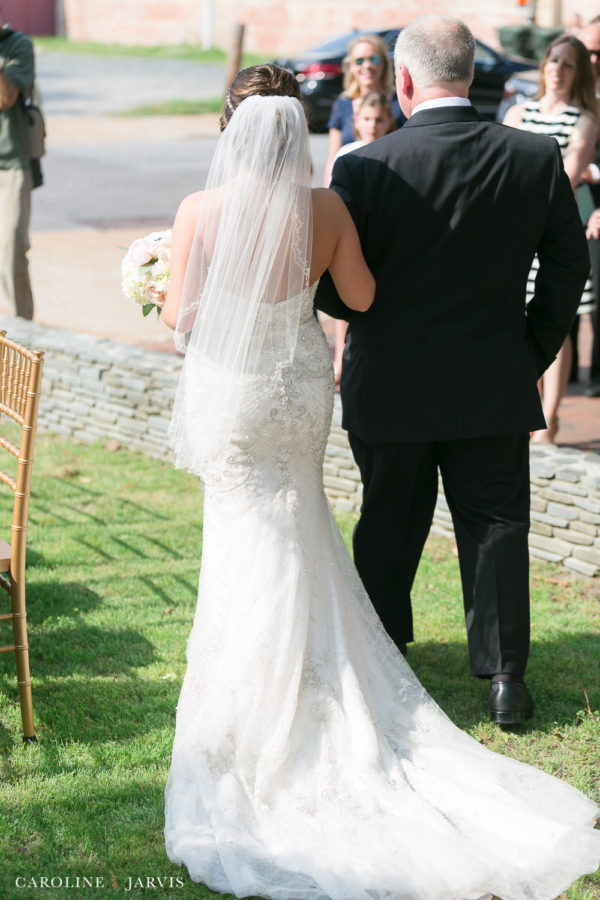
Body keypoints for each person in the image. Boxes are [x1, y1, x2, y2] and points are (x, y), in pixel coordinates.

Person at [160, 59, 600, 900]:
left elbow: (182, 316)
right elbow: (358, 295)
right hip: (298, 390)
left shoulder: (200, 209)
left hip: (237, 395)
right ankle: (473, 676)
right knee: (306, 523)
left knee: (257, 530)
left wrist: (183, 285)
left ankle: (262, 693)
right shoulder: (326, 207)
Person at [316, 15, 590, 726]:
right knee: (496, 526)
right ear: (470, 74)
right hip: (491, 379)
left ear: (404, 80)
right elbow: (570, 265)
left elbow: (333, 287)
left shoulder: (363, 167)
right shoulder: (532, 157)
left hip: (391, 382)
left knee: (387, 522)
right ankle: (505, 680)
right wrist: (530, 352)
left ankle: (384, 656)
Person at [503, 34, 598, 440]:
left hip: (555, 233)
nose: (558, 68)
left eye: (568, 63)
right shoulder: (518, 111)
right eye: (553, 60)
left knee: (556, 322)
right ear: (544, 65)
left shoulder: (585, 117)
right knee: (517, 320)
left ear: (579, 73)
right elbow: (500, 165)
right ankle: (529, 410)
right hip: (515, 233)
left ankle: (550, 418)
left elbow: (569, 173)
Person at [331, 90, 393, 384]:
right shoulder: (347, 154)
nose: (372, 125)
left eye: (378, 120)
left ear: (388, 121)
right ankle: (341, 358)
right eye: (367, 119)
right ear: (356, 121)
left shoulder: (393, 152)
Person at [323, 33, 404, 186]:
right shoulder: (342, 104)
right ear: (351, 66)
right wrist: (327, 191)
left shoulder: (399, 103)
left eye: (374, 59)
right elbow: (332, 159)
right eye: (359, 61)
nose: (367, 66)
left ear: (384, 63)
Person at [0, 6, 34, 320]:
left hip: (10, 163)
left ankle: (22, 330)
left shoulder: (17, 45)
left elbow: (5, 98)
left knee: (10, 251)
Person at [577, 18, 600, 397]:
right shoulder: (573, 89)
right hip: (566, 203)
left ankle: (597, 374)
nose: (593, 59)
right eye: (589, 50)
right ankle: (562, 371)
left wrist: (591, 171)